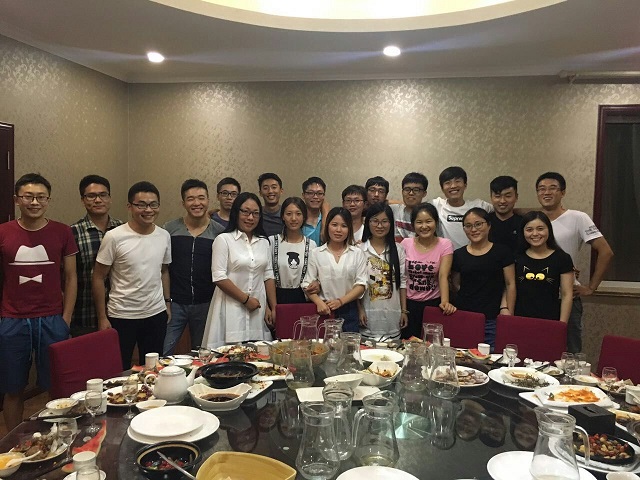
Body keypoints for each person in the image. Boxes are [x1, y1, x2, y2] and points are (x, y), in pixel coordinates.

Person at [0, 173, 78, 431]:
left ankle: (55, 436)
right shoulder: (3, 232)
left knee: (56, 384)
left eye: (41, 197)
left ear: (48, 200)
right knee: (13, 387)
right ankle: (12, 442)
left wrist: (66, 318)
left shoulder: (62, 231)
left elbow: (71, 276)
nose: (34, 202)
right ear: (17, 200)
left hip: (53, 318)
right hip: (12, 319)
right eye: (28, 197)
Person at [93, 181, 171, 369]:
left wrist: (167, 303)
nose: (148, 210)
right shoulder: (114, 237)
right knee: (119, 370)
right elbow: (98, 277)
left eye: (153, 204)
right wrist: (102, 317)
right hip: (122, 315)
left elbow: (163, 270)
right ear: (129, 206)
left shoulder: (164, 235)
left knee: (152, 370)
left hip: (155, 313)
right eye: (141, 205)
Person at [536, 172, 614, 352]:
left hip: (566, 296)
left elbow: (606, 252)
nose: (546, 192)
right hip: (536, 296)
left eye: (553, 188)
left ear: (563, 192)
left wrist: (591, 287)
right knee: (538, 349)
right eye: (541, 189)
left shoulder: (578, 217)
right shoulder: (534, 220)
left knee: (570, 352)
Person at [202, 192, 276, 347]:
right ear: (236, 212)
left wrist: (272, 307)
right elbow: (219, 277)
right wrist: (246, 300)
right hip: (230, 309)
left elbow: (268, 275)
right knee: (227, 355)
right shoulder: (224, 240)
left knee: (258, 355)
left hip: (258, 310)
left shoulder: (263, 242)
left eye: (255, 213)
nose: (250, 217)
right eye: (245, 212)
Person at [162, 179, 224, 355]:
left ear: (208, 200)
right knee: (163, 352)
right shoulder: (169, 229)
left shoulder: (220, 233)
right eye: (190, 199)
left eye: (201, 198)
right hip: (175, 304)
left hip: (206, 304)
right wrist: (166, 301)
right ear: (183, 203)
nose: (197, 203)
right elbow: (163, 268)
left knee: (203, 355)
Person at [452, 208, 515, 349]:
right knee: (463, 355)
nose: (473, 229)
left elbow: (510, 284)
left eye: (478, 224)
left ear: (489, 225)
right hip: (465, 316)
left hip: (493, 318)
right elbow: (456, 284)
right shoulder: (458, 255)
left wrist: (507, 309)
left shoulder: (502, 252)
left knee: (491, 356)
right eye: (468, 226)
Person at [70, 175, 123, 336]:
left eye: (103, 195)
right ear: (82, 200)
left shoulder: (124, 230)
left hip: (122, 313)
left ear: (110, 198)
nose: (98, 200)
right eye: (91, 196)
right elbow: (66, 277)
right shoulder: (73, 233)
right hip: (85, 314)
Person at [302, 207, 367, 332]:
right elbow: (307, 285)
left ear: (349, 229)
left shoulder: (357, 253)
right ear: (327, 226)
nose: (338, 230)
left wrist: (340, 301)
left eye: (344, 226)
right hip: (325, 310)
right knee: (325, 343)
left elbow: (361, 285)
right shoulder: (316, 253)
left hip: (349, 309)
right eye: (334, 225)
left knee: (349, 344)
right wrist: (318, 302)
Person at [400, 203, 455, 339]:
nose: (424, 226)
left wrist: (445, 301)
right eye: (419, 222)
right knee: (408, 344)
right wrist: (403, 309)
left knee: (431, 343)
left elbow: (443, 276)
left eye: (428, 221)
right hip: (408, 304)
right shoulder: (405, 243)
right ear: (413, 225)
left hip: (433, 303)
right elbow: (402, 278)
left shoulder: (445, 244)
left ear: (436, 222)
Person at [358, 203, 407, 341]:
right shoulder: (359, 250)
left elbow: (402, 282)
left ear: (391, 223)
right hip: (368, 317)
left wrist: (404, 311)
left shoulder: (398, 250)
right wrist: (359, 309)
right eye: (375, 221)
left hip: (393, 318)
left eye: (384, 221)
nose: (380, 226)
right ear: (367, 223)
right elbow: (355, 284)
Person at [515, 211, 574, 324]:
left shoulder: (562, 258)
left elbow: (567, 294)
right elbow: (509, 287)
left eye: (540, 229)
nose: (535, 233)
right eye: (529, 230)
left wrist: (562, 324)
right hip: (520, 319)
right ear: (523, 232)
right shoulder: (517, 257)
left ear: (549, 230)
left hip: (550, 320)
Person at [432, 166, 493, 250]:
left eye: (457, 181)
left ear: (465, 185)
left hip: (473, 254)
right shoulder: (437, 205)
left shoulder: (479, 205)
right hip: (447, 255)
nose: (453, 186)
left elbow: (502, 209)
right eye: (448, 183)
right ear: (442, 188)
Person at [269, 196, 316, 304]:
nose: (293, 218)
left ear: (304, 217)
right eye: (289, 214)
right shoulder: (272, 242)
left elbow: (315, 276)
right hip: (277, 298)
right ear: (282, 216)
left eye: (298, 214)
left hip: (303, 298)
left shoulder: (311, 245)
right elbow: (267, 275)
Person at [487, 175, 522, 255]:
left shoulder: (524, 223)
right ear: (491, 197)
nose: (502, 201)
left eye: (508, 196)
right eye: (497, 196)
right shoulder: (484, 222)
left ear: (516, 197)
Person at [390, 172, 428, 243]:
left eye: (416, 190)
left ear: (424, 193)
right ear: (402, 192)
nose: (411, 193)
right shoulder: (393, 210)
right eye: (407, 189)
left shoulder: (429, 214)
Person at [301, 176, 327, 245]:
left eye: (319, 193)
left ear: (324, 196)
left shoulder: (329, 220)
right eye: (310, 193)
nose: (315, 197)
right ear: (303, 195)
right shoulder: (298, 220)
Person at [258, 173, 284, 237]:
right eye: (265, 188)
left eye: (274, 187)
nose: (270, 191)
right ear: (260, 193)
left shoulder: (287, 214)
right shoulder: (256, 214)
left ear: (281, 191)